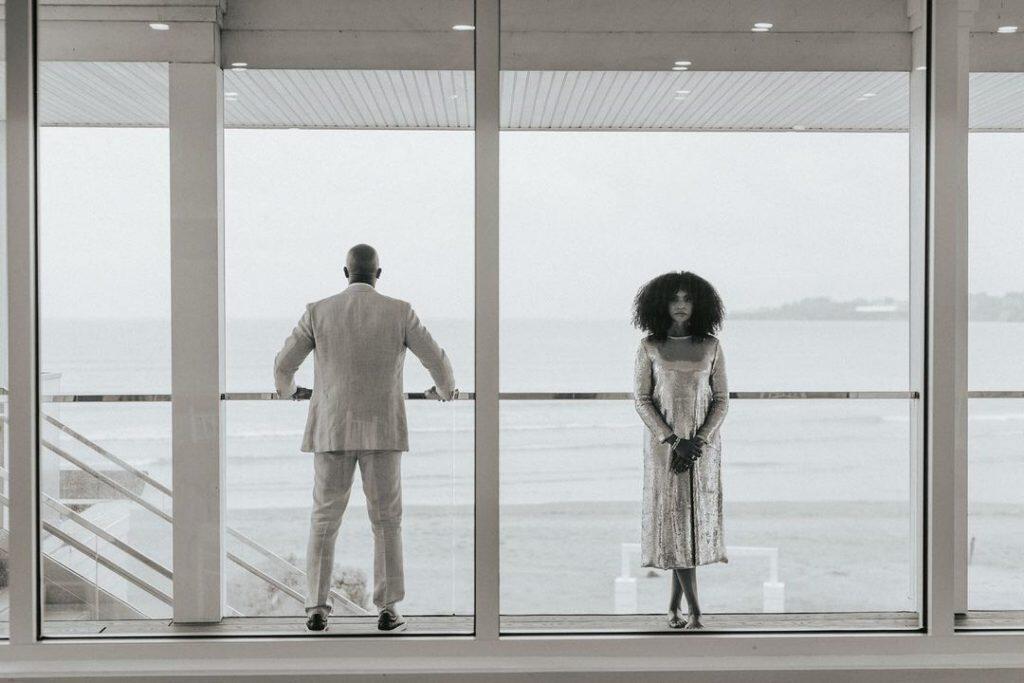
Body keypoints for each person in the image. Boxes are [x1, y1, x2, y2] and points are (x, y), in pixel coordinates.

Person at [273, 243, 458, 633]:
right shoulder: (399, 311)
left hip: (332, 428)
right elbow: (436, 360)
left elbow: (283, 364)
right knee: (387, 521)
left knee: (324, 519)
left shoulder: (318, 311)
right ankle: (389, 609)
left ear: (345, 273)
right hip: (382, 429)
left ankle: (317, 609)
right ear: (378, 273)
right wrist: (443, 391)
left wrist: (290, 392)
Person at [631, 271, 729, 630]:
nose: (681, 306)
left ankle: (675, 607)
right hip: (664, 451)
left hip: (702, 451)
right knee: (675, 521)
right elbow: (642, 400)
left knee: (686, 524)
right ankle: (695, 611)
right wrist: (673, 441)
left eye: (687, 299)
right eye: (674, 299)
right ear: (661, 304)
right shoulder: (649, 346)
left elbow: (721, 401)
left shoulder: (711, 346)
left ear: (698, 303)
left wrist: (699, 442)